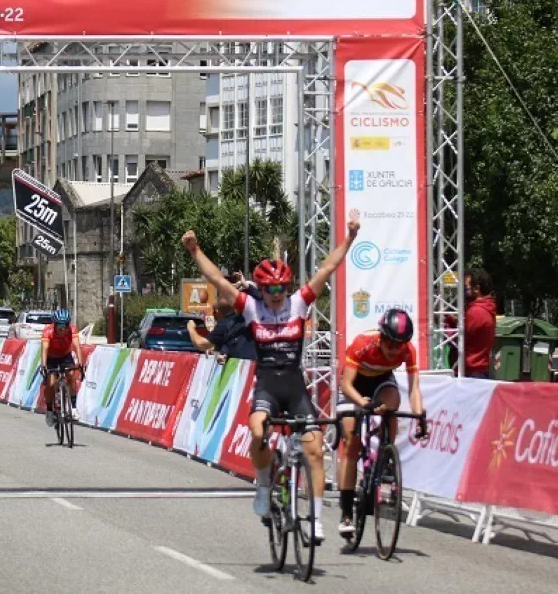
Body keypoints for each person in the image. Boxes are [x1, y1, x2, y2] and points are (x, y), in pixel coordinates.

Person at [182, 210, 360, 542]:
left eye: (281, 286)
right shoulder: (251, 308)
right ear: (260, 289)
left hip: (294, 386)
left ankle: (317, 519)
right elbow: (218, 282)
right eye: (269, 288)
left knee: (315, 449)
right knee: (257, 429)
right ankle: (263, 486)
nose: (276, 293)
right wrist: (195, 251)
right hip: (266, 383)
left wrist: (349, 238)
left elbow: (328, 268)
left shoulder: (298, 303)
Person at [336, 308, 427, 538]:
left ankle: (386, 453)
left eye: (401, 344)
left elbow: (414, 389)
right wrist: (361, 403)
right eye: (391, 344)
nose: (396, 350)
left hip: (381, 381)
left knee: (393, 403)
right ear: (381, 337)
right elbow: (346, 386)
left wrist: (419, 416)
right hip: (354, 385)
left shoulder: (408, 351)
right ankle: (346, 511)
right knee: (351, 443)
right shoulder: (363, 343)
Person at [186, 272, 257, 362]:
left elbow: (201, 344)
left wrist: (191, 328)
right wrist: (220, 351)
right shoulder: (232, 323)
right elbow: (230, 345)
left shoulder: (260, 319)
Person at [41, 308, 83, 426]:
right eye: (59, 325)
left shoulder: (72, 330)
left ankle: (73, 408)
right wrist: (44, 365)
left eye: (65, 325)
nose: (62, 328)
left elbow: (77, 346)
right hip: (51, 357)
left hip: (65, 356)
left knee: (71, 375)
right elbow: (44, 349)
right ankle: (50, 409)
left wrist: (80, 363)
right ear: (54, 324)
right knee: (51, 383)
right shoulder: (47, 331)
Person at [462, 269, 497, 379]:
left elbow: (462, 337)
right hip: (481, 369)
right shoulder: (487, 309)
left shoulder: (476, 312)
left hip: (472, 371)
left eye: (466, 287)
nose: (463, 291)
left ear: (476, 288)